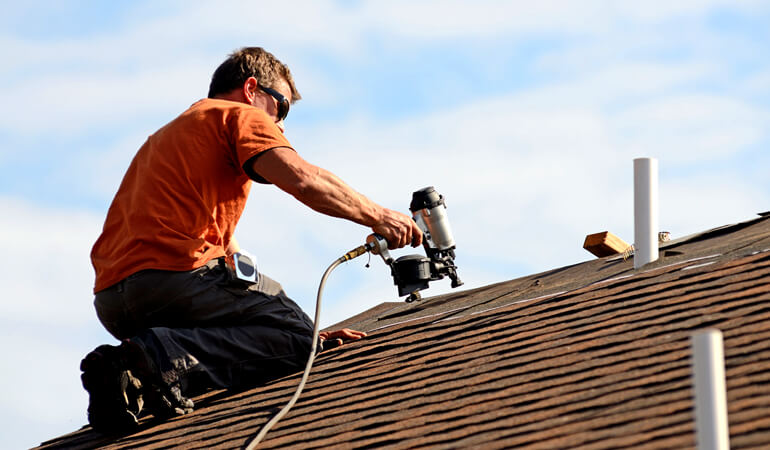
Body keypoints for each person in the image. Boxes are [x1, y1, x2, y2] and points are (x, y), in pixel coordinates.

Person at [81, 47, 422, 433]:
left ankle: (133, 379)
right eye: (281, 108)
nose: (281, 124)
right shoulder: (238, 115)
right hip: (173, 278)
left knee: (285, 330)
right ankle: (157, 357)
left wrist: (302, 329)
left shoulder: (169, 136)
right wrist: (380, 216)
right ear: (250, 89)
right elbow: (303, 179)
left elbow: (227, 258)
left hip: (113, 300)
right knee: (298, 342)